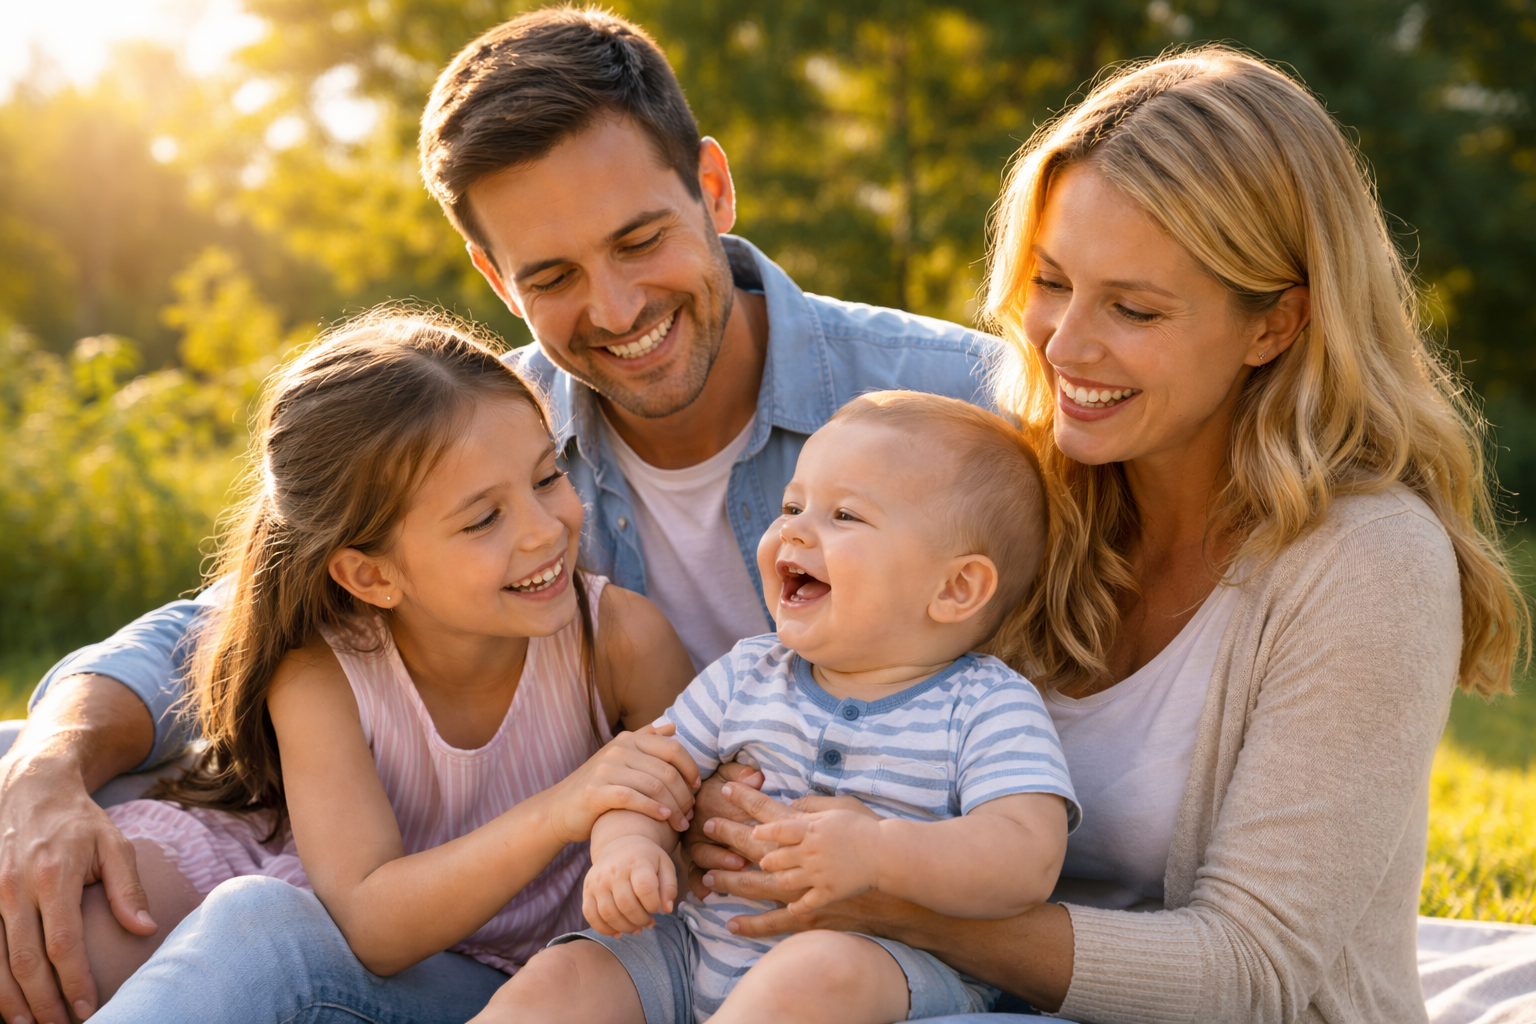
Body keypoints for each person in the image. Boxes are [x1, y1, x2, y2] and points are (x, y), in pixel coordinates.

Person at [0, 9, 996, 1024]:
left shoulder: (958, 409)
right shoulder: (489, 423)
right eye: (552, 277)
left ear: (713, 187)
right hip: (506, 940)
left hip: (788, 942)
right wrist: (48, 765)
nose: (613, 311)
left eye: (640, 240)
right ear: (494, 279)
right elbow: (220, 626)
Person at [682, 46, 1528, 1024]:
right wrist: (740, 814)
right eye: (1050, 282)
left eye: (1133, 307)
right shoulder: (1028, 502)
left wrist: (891, 898)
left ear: (1276, 323)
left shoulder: (1369, 563)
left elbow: (1251, 974)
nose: (1064, 344)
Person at [83, 310, 701, 1020]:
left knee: (253, 929)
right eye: (482, 520)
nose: (543, 528)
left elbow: (692, 842)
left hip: (504, 979)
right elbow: (370, 920)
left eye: (546, 476)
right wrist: (563, 809)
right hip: (337, 914)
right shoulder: (322, 674)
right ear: (371, 578)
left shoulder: (620, 642)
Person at [486, 391, 1077, 1024]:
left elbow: (1026, 857)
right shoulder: (748, 671)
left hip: (882, 967)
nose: (794, 528)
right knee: (567, 974)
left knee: (817, 972)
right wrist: (629, 851)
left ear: (955, 588)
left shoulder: (988, 704)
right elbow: (647, 779)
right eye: (793, 505)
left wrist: (878, 854)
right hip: (694, 953)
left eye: (844, 516)